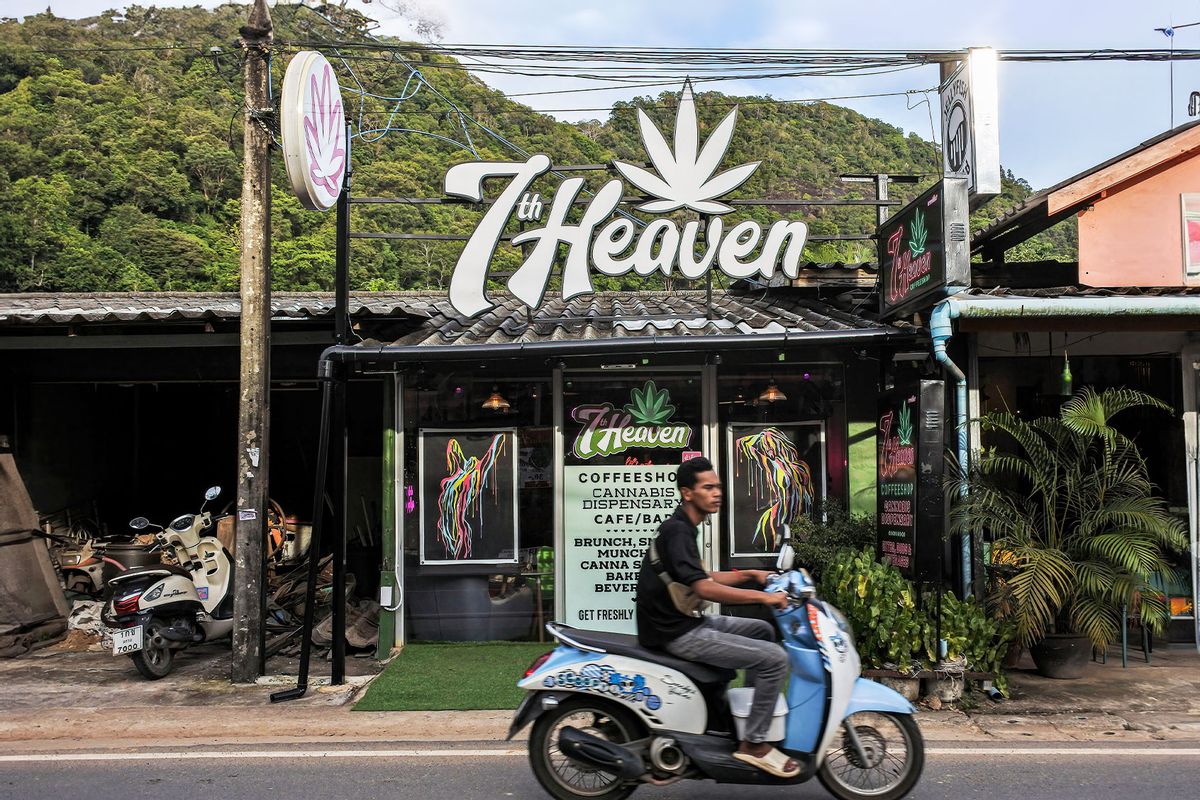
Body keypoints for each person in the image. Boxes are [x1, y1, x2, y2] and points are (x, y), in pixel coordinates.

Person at [635, 456, 798, 779]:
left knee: (762, 632)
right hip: (677, 632)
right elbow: (705, 589)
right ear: (687, 493)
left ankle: (750, 720)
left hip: (684, 621)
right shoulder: (678, 531)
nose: (717, 493)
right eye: (708, 487)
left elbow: (699, 576)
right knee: (776, 659)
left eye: (718, 486)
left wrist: (751, 574)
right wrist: (765, 597)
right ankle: (753, 743)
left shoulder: (682, 527)